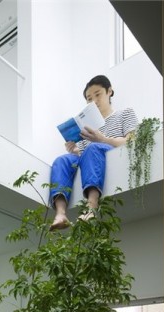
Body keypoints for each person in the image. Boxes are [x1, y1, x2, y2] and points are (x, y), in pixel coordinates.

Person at [49, 74, 138, 230]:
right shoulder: (87, 126)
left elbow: (131, 140)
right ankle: (61, 214)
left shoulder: (125, 113)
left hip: (106, 150)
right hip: (90, 154)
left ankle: (91, 207)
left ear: (109, 91)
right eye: (89, 99)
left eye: (98, 94)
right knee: (61, 160)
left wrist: (103, 139)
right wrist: (75, 150)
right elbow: (82, 156)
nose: (94, 101)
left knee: (93, 147)